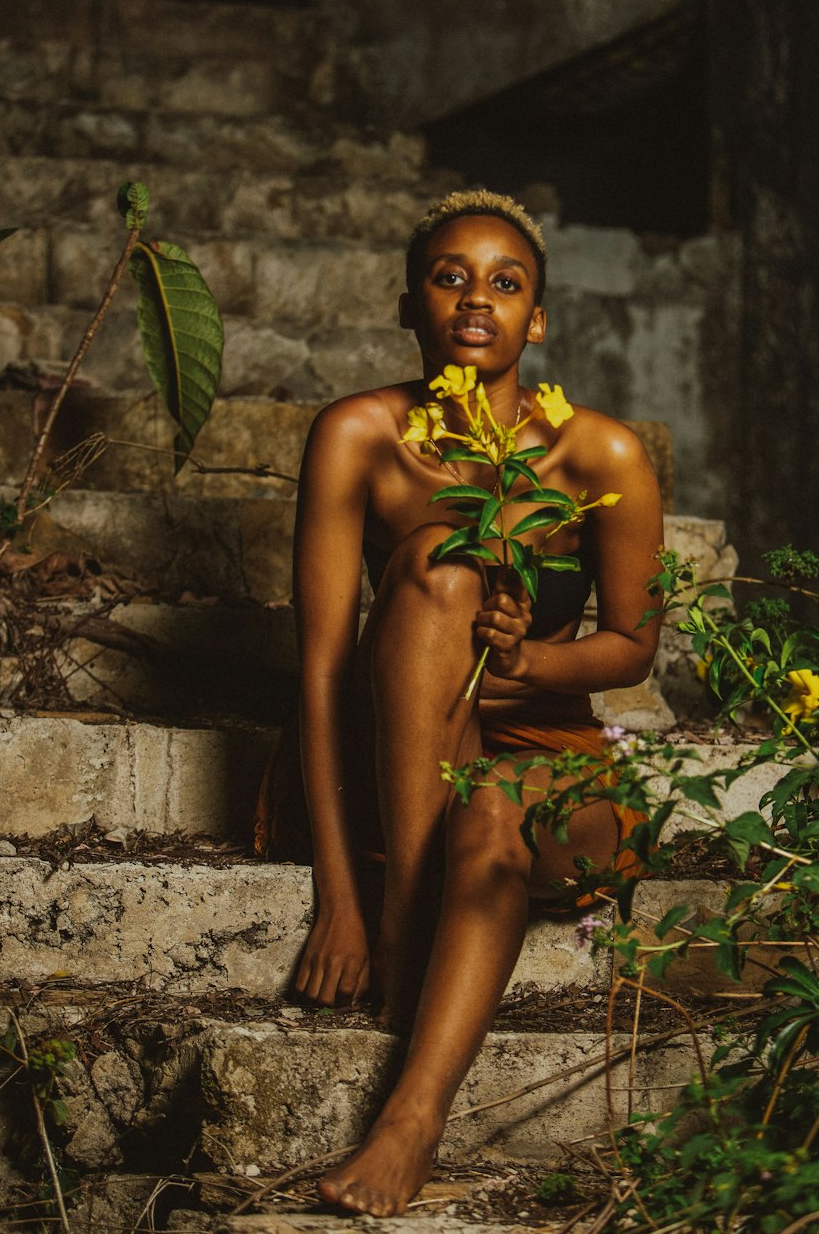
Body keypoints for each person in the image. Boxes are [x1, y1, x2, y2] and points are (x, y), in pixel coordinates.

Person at [283, 188, 663, 1216]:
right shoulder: (359, 434)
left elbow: (634, 646)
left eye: (506, 283)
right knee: (439, 570)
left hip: (552, 763)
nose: (476, 300)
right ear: (409, 303)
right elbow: (321, 671)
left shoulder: (597, 455)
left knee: (495, 805)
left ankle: (409, 1120)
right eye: (450, 277)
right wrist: (340, 899)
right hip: (407, 752)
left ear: (536, 318)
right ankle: (409, 906)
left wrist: (532, 665)